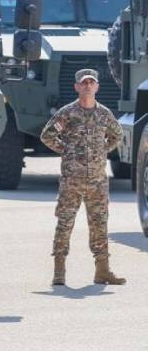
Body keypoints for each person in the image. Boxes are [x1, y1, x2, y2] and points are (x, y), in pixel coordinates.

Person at [40, 68, 126, 287]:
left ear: (97, 87)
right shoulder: (67, 113)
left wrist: (103, 150)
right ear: (77, 87)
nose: (88, 86)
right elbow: (47, 135)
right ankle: (59, 271)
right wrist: (67, 150)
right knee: (65, 224)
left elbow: (117, 134)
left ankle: (102, 271)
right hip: (72, 181)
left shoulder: (104, 114)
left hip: (97, 181)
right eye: (84, 83)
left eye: (91, 82)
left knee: (100, 225)